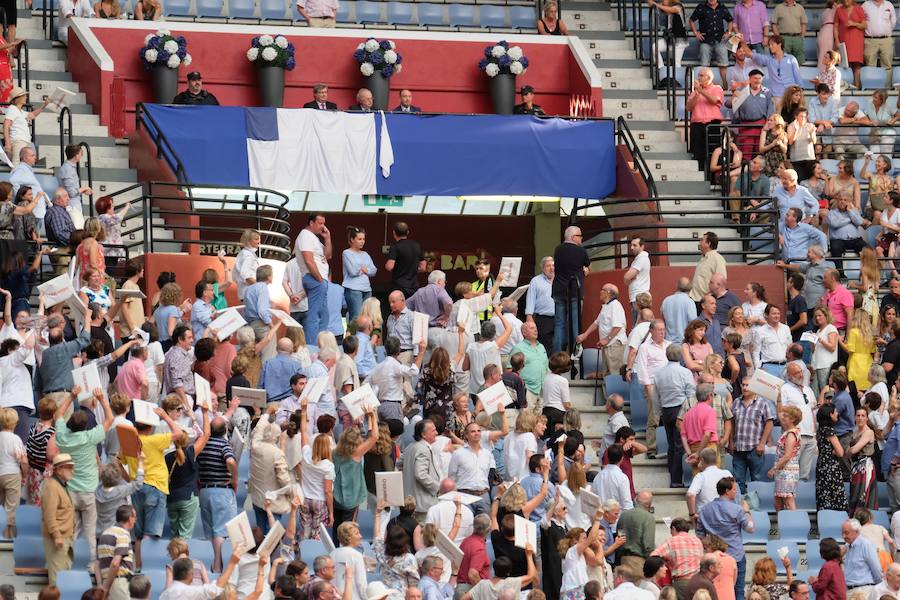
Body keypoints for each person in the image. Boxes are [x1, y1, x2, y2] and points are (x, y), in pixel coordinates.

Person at [696, 477, 755, 600]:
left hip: (712, 557)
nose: (736, 492)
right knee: (738, 590)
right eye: (734, 490)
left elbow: (700, 535)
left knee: (713, 590)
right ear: (727, 491)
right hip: (735, 555)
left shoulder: (704, 510)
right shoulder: (737, 509)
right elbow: (750, 528)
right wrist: (747, 512)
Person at [160, 543, 248, 600]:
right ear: (191, 575)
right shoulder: (194, 592)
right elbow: (215, 588)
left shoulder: (164, 595)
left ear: (173, 574)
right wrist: (232, 562)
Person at [730, 381, 774, 493]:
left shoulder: (763, 402)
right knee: (737, 481)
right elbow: (732, 423)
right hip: (738, 448)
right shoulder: (736, 402)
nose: (745, 387)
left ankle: (755, 508)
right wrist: (731, 442)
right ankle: (740, 507)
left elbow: (769, 423)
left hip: (755, 448)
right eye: (743, 385)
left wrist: (762, 444)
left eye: (747, 385)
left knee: (756, 480)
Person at [552, 225, 590, 353]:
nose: (582, 239)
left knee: (559, 324)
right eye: (580, 236)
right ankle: (575, 353)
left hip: (558, 290)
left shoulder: (558, 250)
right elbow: (587, 264)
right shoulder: (580, 251)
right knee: (575, 324)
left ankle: (557, 354)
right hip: (574, 291)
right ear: (573, 237)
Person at [576, 283, 627, 377]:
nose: (600, 292)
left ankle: (614, 391)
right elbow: (596, 323)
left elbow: (617, 326)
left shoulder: (615, 305)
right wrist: (585, 335)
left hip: (614, 345)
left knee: (614, 373)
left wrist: (606, 339)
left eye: (602, 290)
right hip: (608, 345)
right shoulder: (606, 306)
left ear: (608, 293)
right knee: (607, 373)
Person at [41, 453, 76, 586]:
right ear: (59, 469)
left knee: (64, 580)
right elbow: (49, 515)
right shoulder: (51, 486)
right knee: (57, 581)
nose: (72, 470)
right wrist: (57, 535)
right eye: (69, 467)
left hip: (66, 538)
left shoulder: (61, 485)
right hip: (58, 539)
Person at [401, 419, 442, 521]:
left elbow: (399, 464)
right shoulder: (423, 449)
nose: (436, 433)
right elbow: (421, 474)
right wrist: (438, 488)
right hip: (422, 502)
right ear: (423, 434)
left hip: (411, 499)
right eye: (433, 431)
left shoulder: (410, 446)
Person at [686, 67, 724, 171]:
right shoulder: (695, 92)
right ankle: (700, 175)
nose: (699, 78)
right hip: (697, 125)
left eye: (702, 75)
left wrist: (701, 91)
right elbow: (689, 107)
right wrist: (696, 95)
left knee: (713, 152)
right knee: (697, 152)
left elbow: (714, 100)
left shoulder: (717, 88)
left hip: (712, 124)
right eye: (699, 75)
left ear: (709, 78)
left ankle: (712, 178)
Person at [689, 0, 733, 86]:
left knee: (723, 63)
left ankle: (725, 84)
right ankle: (704, 85)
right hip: (705, 40)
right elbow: (691, 20)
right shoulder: (701, 7)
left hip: (720, 40)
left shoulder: (722, 7)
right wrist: (695, 33)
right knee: (704, 64)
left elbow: (730, 20)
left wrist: (729, 32)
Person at [98, 505, 137, 600]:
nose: (135, 520)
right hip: (119, 583)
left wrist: (102, 586)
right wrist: (106, 587)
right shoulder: (123, 534)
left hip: (106, 582)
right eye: (134, 517)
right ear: (129, 518)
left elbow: (97, 564)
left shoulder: (105, 533)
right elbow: (115, 563)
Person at [342, 226, 376, 321]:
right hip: (353, 288)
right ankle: (353, 336)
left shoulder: (365, 254)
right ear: (352, 239)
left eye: (363, 239)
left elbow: (374, 270)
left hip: (366, 288)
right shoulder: (347, 253)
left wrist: (366, 270)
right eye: (359, 239)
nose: (362, 241)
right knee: (356, 316)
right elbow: (352, 271)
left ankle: (363, 336)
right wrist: (364, 269)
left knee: (367, 317)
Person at [841, 518, 883, 594]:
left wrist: (877, 588)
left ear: (856, 531)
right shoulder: (847, 547)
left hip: (863, 590)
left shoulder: (866, 545)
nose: (843, 536)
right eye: (842, 533)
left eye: (846, 533)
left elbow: (876, 569)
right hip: (849, 590)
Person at [617, 492, 656, 572]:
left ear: (635, 500)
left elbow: (620, 538)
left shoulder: (623, 515)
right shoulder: (649, 518)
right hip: (638, 561)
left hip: (623, 559)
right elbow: (648, 546)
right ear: (648, 504)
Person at [848, 408, 878, 514]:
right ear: (855, 417)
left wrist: (851, 449)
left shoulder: (869, 432)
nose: (860, 418)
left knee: (863, 497)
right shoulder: (854, 432)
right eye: (858, 415)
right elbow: (847, 452)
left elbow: (854, 450)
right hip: (855, 467)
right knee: (854, 496)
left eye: (863, 415)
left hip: (866, 467)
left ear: (867, 418)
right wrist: (851, 450)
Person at [386, 222, 424, 299]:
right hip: (414, 286)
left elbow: (390, 266)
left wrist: (386, 265)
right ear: (407, 232)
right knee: (413, 309)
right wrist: (413, 269)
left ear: (394, 233)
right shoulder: (417, 245)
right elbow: (423, 267)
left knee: (399, 309)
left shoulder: (395, 247)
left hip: (399, 286)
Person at [525, 256, 555, 352]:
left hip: (560, 318)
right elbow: (530, 299)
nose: (551, 268)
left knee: (560, 344)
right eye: (548, 266)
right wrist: (529, 317)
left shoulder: (560, 280)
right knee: (545, 345)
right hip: (543, 320)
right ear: (542, 268)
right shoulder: (536, 281)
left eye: (553, 265)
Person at [835, 0, 867, 88]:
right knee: (845, 65)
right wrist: (837, 41)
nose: (846, 1)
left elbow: (864, 25)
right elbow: (835, 26)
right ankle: (845, 86)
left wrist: (854, 24)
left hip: (856, 41)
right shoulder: (839, 10)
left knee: (856, 65)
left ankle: (857, 86)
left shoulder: (859, 9)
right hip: (844, 42)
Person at [690, 232, 727, 305]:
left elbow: (722, 281)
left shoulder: (717, 259)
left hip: (706, 301)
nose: (699, 242)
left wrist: (711, 296)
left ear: (709, 243)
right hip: (696, 299)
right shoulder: (703, 258)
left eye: (702, 240)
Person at [862, 0, 895, 73]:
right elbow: (861, 21)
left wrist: (885, 32)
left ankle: (887, 84)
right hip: (870, 40)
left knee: (887, 66)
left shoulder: (889, 4)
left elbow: (893, 21)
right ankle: (872, 84)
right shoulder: (865, 5)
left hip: (886, 40)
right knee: (870, 66)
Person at [661, 278, 698, 343]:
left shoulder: (666, 300)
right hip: (683, 343)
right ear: (690, 288)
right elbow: (694, 323)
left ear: (677, 286)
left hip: (668, 342)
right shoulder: (689, 302)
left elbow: (663, 319)